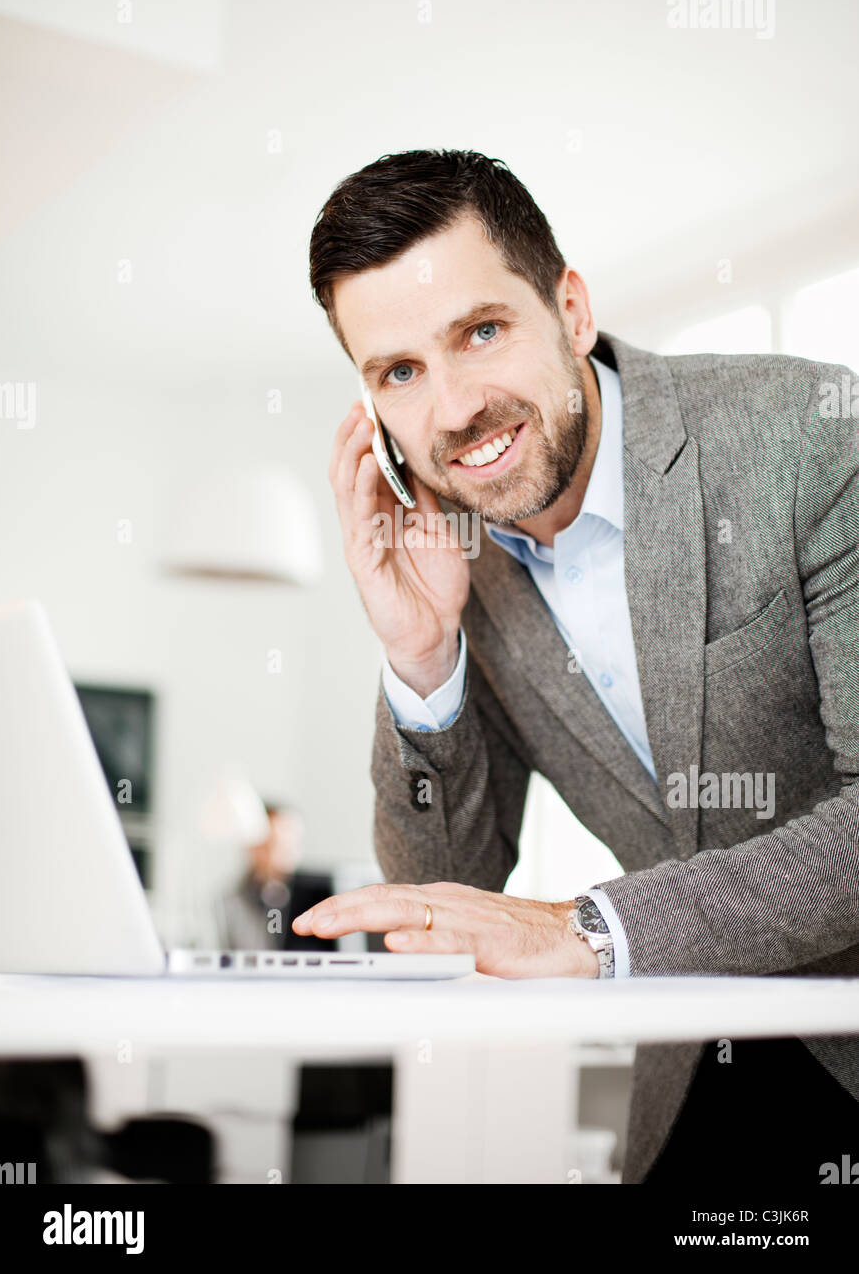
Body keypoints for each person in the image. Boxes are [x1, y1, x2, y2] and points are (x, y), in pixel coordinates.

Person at [295, 149, 859, 1184]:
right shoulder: (458, 564)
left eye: (480, 331)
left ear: (569, 307)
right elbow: (445, 896)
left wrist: (589, 931)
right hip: (699, 1073)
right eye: (400, 372)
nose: (454, 407)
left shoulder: (809, 437)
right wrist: (421, 659)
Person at [215, 803, 336, 953]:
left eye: (291, 841)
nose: (286, 849)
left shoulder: (320, 894)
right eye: (274, 843)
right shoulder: (233, 901)